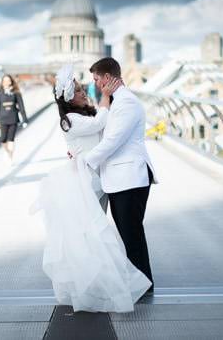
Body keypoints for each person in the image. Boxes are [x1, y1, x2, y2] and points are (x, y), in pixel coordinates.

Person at [31, 64, 151, 313]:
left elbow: (103, 131)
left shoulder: (85, 112)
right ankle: (95, 284)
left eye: (82, 86)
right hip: (87, 180)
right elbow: (100, 126)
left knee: (97, 232)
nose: (84, 90)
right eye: (77, 90)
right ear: (67, 98)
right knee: (92, 233)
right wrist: (106, 98)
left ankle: (104, 280)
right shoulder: (71, 120)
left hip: (99, 178)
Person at [84, 57, 158, 295]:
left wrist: (86, 161)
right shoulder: (117, 101)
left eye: (96, 79)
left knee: (131, 233)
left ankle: (144, 285)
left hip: (129, 178)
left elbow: (113, 140)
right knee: (129, 233)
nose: (94, 84)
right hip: (121, 179)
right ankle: (140, 282)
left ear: (106, 78)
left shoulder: (126, 102)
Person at [0, 74, 28, 164]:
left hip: (13, 118)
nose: (6, 82)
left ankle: (10, 157)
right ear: (2, 82)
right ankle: (7, 152)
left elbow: (21, 106)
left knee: (11, 139)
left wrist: (25, 120)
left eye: (8, 80)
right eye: (4, 81)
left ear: (11, 81)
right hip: (2, 119)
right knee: (3, 139)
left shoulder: (16, 93)